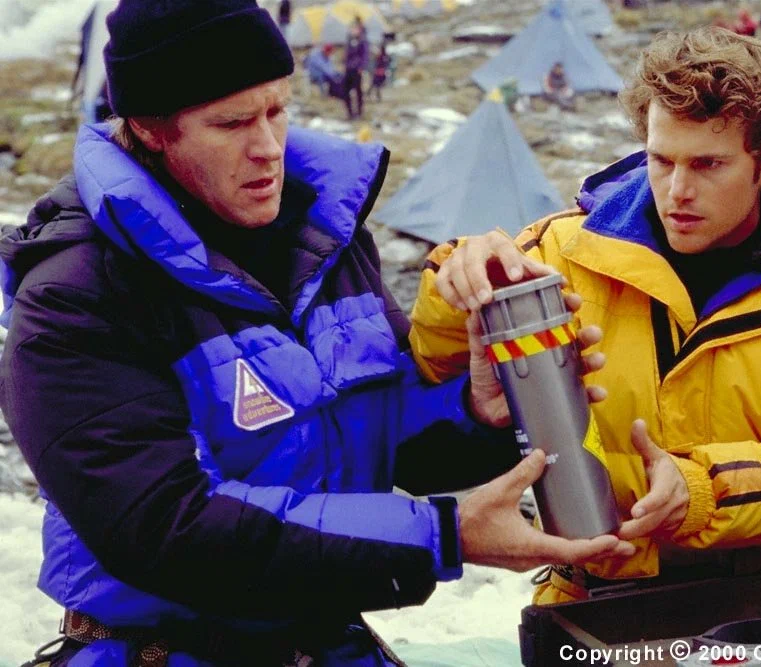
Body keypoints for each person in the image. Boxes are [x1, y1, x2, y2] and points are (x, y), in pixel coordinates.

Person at [0, 1, 635, 664]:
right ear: (149, 129)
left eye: (277, 110)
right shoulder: (78, 296)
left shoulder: (321, 234)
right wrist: (440, 536)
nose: (267, 147)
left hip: (324, 645)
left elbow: (380, 435)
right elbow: (168, 526)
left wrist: (476, 410)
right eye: (232, 123)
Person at [408, 27, 761, 605]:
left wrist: (706, 491)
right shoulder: (559, 254)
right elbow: (430, 376)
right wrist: (453, 287)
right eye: (661, 160)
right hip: (594, 599)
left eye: (707, 164)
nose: (677, 190)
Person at [344, 19, 368, 119]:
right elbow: (347, 55)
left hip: (357, 69)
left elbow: (364, 55)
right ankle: (350, 112)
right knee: (346, 91)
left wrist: (361, 67)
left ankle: (359, 112)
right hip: (349, 68)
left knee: (358, 91)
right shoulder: (350, 40)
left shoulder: (362, 41)